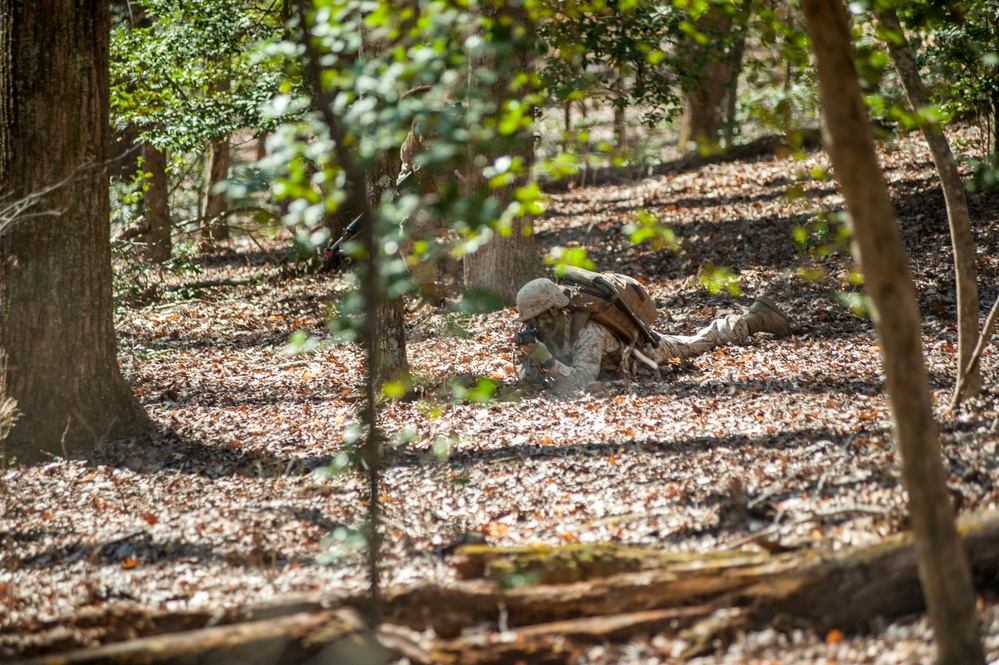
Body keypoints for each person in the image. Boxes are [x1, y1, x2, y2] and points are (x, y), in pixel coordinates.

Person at [514, 277, 792, 393]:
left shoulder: (589, 330)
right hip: (614, 366)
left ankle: (758, 318)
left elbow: (584, 377)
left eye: (540, 317)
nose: (536, 325)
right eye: (532, 321)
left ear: (556, 309)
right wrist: (531, 359)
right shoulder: (545, 330)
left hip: (643, 353)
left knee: (697, 343)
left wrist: (549, 362)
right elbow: (529, 382)